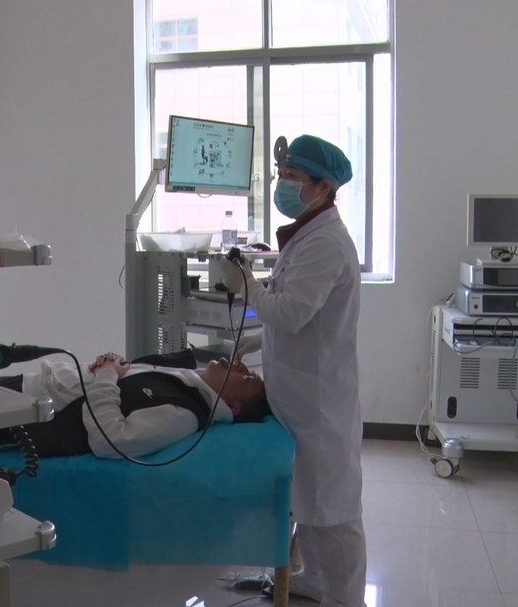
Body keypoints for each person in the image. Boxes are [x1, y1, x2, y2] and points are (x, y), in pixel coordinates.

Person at [219, 134, 367, 607]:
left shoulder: (326, 245)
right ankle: (317, 580)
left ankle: (345, 597)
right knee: (307, 498)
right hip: (300, 396)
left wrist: (247, 285)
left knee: (331, 508)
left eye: (293, 177)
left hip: (320, 402)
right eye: (280, 175)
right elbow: (296, 314)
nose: (283, 184)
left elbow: (290, 313)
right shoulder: (306, 235)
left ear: (323, 187)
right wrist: (255, 341)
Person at [0, 352, 271, 459]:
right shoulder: (186, 377)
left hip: (26, 420)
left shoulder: (186, 414)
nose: (240, 365)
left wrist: (106, 374)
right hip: (24, 387)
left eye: (247, 378)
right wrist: (112, 363)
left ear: (234, 407)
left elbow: (111, 439)